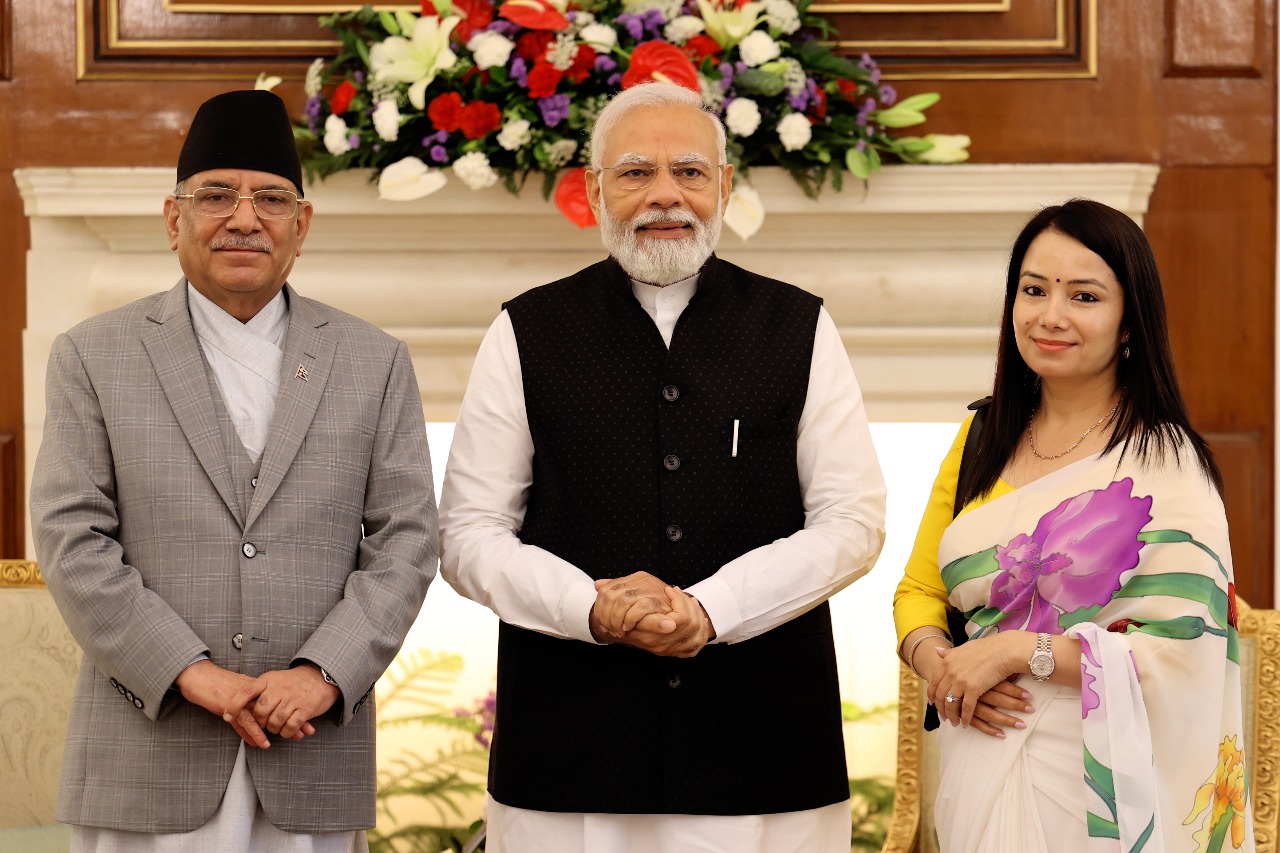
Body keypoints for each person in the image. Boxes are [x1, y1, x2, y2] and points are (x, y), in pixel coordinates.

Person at [438, 81, 886, 853]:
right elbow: (467, 533)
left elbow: (854, 521)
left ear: (725, 187)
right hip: (570, 753)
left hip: (766, 752)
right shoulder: (524, 330)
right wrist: (590, 607)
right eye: (636, 172)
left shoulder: (800, 324)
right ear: (593, 191)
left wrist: (713, 609)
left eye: (690, 171)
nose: (665, 195)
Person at [29, 89, 438, 851]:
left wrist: (322, 673)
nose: (244, 219)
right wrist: (190, 670)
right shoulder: (93, 354)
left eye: (271, 199)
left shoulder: (373, 359)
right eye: (216, 195)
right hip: (148, 752)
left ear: (301, 224)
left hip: (310, 746)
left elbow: (408, 539)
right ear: (172, 218)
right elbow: (71, 539)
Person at [893, 199, 1254, 852]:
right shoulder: (982, 436)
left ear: (1129, 321)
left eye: (1083, 296)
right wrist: (946, 666)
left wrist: (1014, 652)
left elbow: (1185, 649)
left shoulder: (1166, 463)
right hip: (981, 757)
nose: (1050, 315)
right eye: (1034, 290)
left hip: (1102, 788)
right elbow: (919, 590)